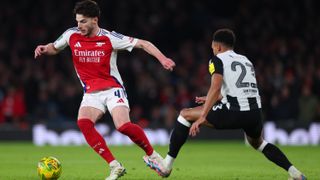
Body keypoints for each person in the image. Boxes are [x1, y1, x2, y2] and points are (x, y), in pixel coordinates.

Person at [34, 0, 175, 180]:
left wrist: (163, 59)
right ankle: (115, 166)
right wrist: (44, 48)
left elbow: (144, 44)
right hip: (91, 93)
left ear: (95, 20)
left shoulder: (109, 38)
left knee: (123, 126)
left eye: (83, 21)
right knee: (84, 123)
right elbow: (55, 47)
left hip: (112, 89)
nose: (79, 25)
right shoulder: (71, 35)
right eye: (77, 21)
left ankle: (153, 156)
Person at [143, 28, 306, 180]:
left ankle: (166, 166)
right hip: (255, 113)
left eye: (213, 47)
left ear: (218, 46)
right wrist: (210, 99)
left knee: (185, 114)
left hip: (233, 112)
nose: (212, 50)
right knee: (259, 143)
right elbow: (238, 89)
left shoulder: (216, 59)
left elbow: (215, 87)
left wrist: (203, 116)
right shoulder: (245, 60)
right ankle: (295, 173)